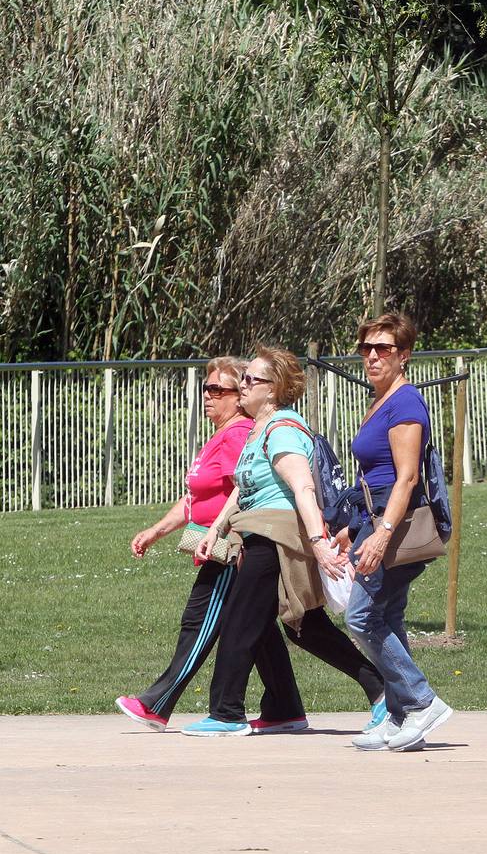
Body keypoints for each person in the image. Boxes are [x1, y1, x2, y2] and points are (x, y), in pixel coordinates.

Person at [183, 346, 385, 737]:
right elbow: (243, 490)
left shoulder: (284, 429)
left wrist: (318, 542)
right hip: (259, 530)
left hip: (275, 535)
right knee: (304, 625)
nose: (242, 385)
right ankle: (372, 692)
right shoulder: (259, 429)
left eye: (251, 380)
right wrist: (215, 530)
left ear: (273, 389)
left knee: (240, 621)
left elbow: (303, 488)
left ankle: (226, 714)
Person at [115, 357, 261, 731]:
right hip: (215, 542)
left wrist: (223, 532)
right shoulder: (219, 435)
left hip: (228, 547)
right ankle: (286, 706)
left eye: (218, 390)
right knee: (255, 630)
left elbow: (244, 491)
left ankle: (157, 703)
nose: (208, 396)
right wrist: (156, 530)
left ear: (239, 396)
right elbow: (195, 499)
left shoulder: (237, 434)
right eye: (206, 389)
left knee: (199, 621)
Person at [342, 313, 454, 752]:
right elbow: (374, 474)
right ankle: (401, 713)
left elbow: (406, 478)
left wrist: (382, 533)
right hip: (376, 520)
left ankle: (422, 701)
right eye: (367, 348)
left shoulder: (405, 403)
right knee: (387, 616)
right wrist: (354, 528)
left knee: (362, 616)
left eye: (384, 348)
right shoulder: (382, 399)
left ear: (404, 355)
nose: (373, 356)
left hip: (399, 525)